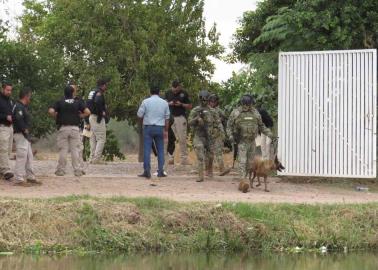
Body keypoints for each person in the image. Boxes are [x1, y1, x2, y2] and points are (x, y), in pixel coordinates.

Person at [48, 85, 90, 177]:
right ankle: (77, 170)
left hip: (63, 128)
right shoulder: (77, 102)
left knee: (63, 150)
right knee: (75, 150)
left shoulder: (60, 102)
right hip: (75, 128)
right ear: (73, 92)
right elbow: (87, 112)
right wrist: (80, 116)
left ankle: (61, 170)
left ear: (64, 93)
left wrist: (57, 116)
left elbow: (51, 111)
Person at [230, 94, 275, 180]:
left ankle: (246, 178)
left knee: (250, 164)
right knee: (242, 162)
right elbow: (229, 126)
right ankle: (243, 180)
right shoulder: (236, 113)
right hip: (241, 141)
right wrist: (231, 137)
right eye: (249, 104)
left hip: (252, 142)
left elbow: (261, 126)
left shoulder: (255, 113)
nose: (250, 106)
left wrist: (270, 134)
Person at [137, 85, 170, 183]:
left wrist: (142, 124)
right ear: (159, 92)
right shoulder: (164, 103)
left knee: (147, 149)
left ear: (150, 92)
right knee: (160, 150)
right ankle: (160, 171)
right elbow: (167, 118)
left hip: (148, 127)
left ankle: (147, 171)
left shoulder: (145, 102)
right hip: (160, 128)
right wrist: (166, 130)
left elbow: (139, 115)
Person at [188, 90, 223, 182]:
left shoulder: (213, 111)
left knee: (211, 155)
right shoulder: (195, 110)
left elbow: (218, 123)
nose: (204, 102)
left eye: (205, 100)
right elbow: (189, 122)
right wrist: (197, 119)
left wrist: (222, 133)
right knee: (200, 154)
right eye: (202, 100)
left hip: (210, 136)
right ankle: (200, 175)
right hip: (199, 135)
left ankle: (209, 170)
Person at [12, 87, 40, 186]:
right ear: (26, 96)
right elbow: (19, 119)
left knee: (29, 156)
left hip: (24, 135)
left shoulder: (22, 106)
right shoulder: (19, 106)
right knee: (22, 156)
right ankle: (19, 179)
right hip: (20, 134)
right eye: (29, 96)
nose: (30, 98)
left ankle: (30, 177)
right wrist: (24, 129)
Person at [164, 80, 192, 165]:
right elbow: (163, 104)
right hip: (170, 118)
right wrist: (170, 103)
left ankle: (184, 159)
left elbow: (190, 106)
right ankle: (170, 158)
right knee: (169, 139)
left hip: (180, 117)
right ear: (171, 86)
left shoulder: (184, 93)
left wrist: (181, 104)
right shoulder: (168, 93)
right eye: (174, 89)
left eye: (177, 89)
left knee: (182, 138)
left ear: (179, 86)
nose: (175, 91)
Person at [87, 78, 110, 164]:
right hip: (97, 118)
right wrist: (102, 113)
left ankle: (92, 158)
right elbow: (97, 102)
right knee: (101, 139)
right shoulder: (99, 93)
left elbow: (88, 104)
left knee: (92, 138)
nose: (106, 86)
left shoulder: (92, 92)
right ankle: (96, 159)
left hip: (91, 116)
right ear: (103, 85)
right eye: (106, 85)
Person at [208, 94, 231, 176]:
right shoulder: (205, 110)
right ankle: (209, 170)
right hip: (208, 133)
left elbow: (226, 118)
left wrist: (221, 120)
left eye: (214, 102)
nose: (212, 103)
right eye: (211, 101)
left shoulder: (219, 110)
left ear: (217, 102)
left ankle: (222, 169)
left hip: (217, 132)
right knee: (209, 153)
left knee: (218, 152)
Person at [0, 82, 14, 180]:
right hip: (2, 127)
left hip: (10, 128)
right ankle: (6, 170)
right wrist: (5, 116)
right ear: (3, 89)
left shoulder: (10, 101)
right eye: (7, 90)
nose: (9, 92)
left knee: (8, 149)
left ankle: (2, 170)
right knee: (3, 149)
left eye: (10, 90)